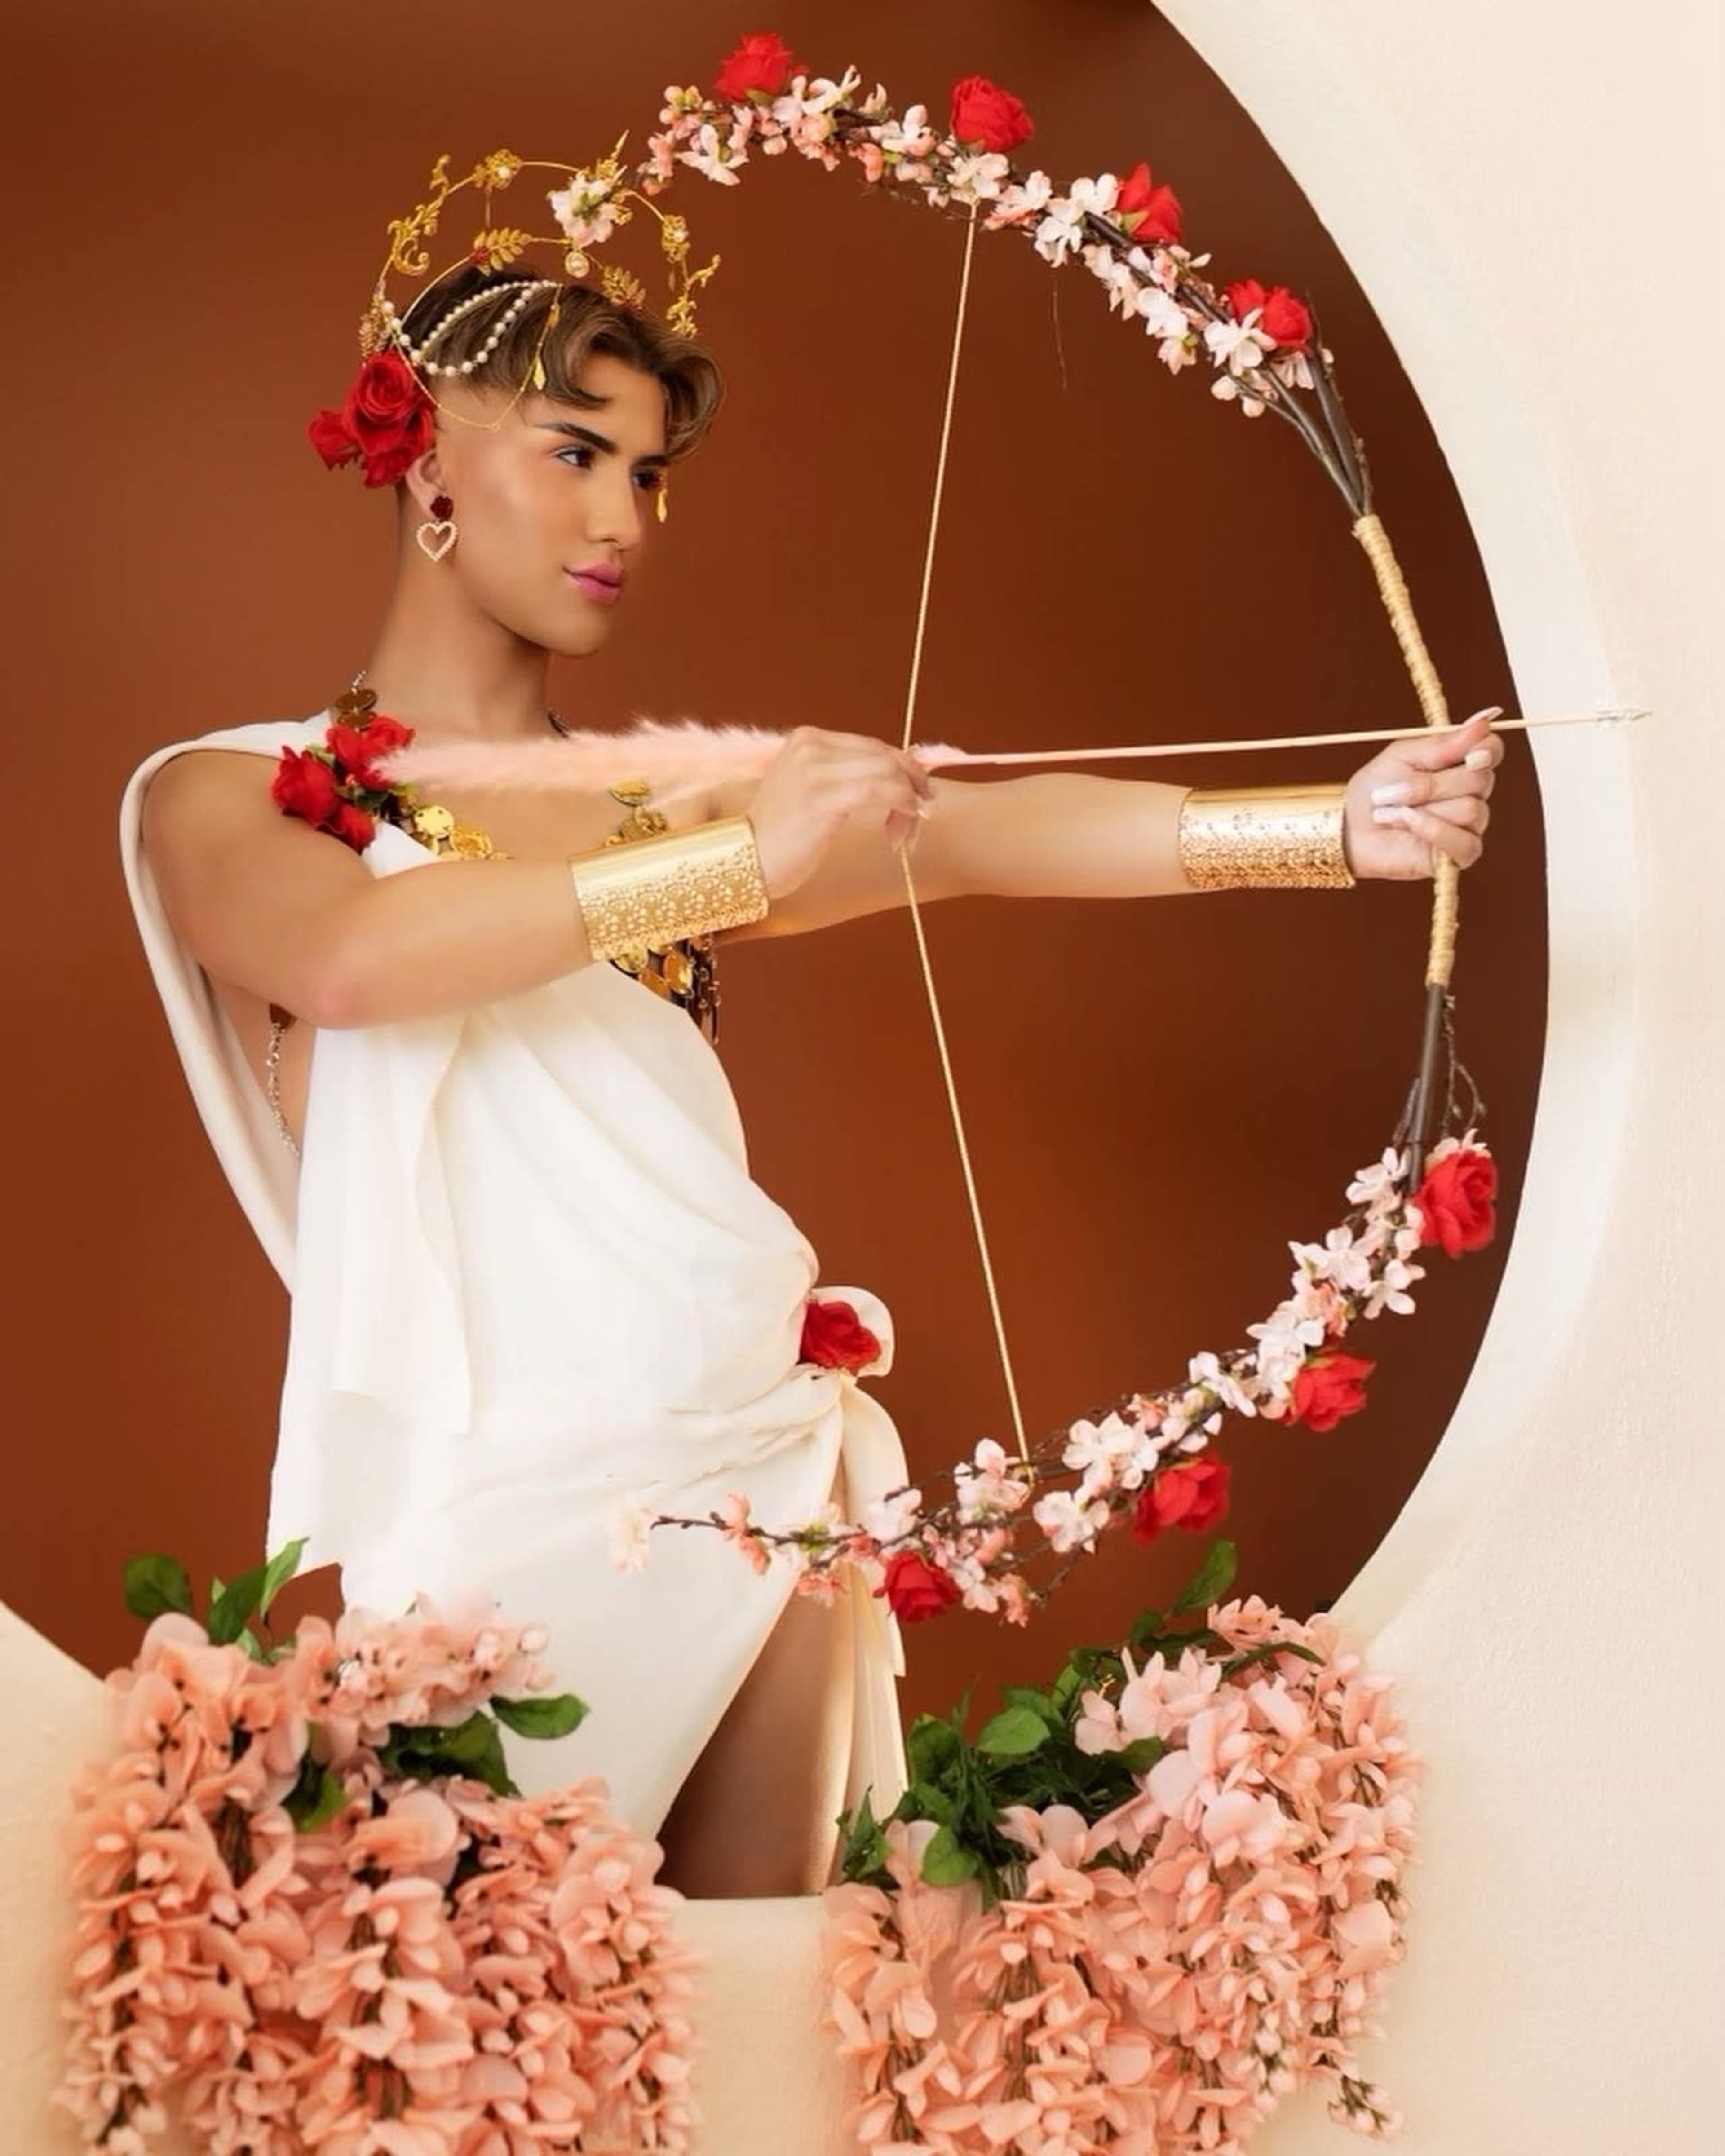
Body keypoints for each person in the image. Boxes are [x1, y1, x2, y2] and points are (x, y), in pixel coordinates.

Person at [119, 261, 1503, 1900]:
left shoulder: (668, 810)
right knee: (469, 2009)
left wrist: (1334, 829)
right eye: (572, 451)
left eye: (646, 472)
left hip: (751, 1454)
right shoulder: (225, 793)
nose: (623, 514)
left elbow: (974, 832)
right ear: (425, 460)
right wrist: (738, 861)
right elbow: (350, 961)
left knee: (751, 2014)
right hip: (503, 1488)